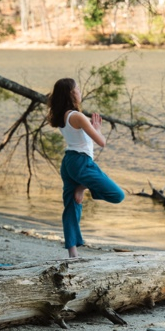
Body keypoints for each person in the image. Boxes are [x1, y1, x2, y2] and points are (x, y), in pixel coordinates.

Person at [47, 78, 125, 258]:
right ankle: (82, 186)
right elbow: (102, 142)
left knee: (71, 207)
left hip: (68, 162)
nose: (80, 92)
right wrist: (97, 128)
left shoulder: (62, 116)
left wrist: (92, 127)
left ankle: (72, 254)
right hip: (81, 163)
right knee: (117, 195)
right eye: (78, 89)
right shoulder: (78, 116)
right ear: (71, 93)